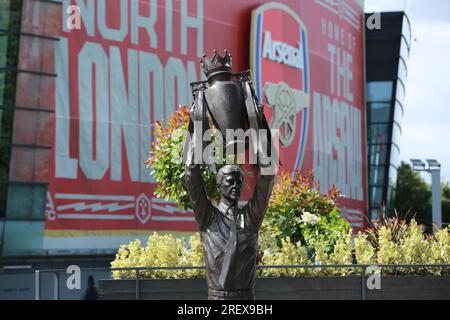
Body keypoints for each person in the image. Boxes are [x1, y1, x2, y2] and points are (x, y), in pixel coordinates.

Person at [185, 164, 275, 300]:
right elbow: (192, 177)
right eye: (230, 182)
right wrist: (197, 145)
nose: (236, 186)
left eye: (239, 183)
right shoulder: (208, 217)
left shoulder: (250, 218)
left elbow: (266, 181)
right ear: (219, 186)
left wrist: (265, 152)